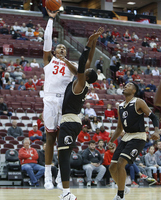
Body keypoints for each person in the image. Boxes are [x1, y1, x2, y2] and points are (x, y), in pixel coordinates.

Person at [57, 28, 102, 199]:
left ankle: (67, 193)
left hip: (70, 121)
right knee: (63, 154)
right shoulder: (82, 80)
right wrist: (95, 41)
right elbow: (87, 60)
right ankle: (65, 191)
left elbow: (83, 62)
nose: (87, 68)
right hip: (71, 121)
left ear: (87, 76)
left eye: (87, 71)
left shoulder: (81, 82)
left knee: (64, 156)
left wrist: (89, 42)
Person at [42, 9, 80, 191]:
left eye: (64, 48)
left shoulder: (72, 65)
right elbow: (47, 42)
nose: (62, 49)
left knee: (62, 141)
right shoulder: (48, 61)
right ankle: (47, 176)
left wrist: (65, 60)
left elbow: (77, 74)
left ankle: (60, 177)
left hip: (64, 103)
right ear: (54, 51)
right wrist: (50, 20)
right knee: (50, 138)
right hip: (50, 100)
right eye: (59, 48)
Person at [109, 82, 160, 200]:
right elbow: (119, 128)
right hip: (126, 137)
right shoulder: (120, 106)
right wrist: (111, 140)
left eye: (129, 85)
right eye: (125, 85)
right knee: (112, 167)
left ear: (134, 91)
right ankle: (123, 188)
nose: (126, 86)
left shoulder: (138, 102)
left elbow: (154, 117)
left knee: (121, 163)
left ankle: (120, 195)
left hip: (138, 137)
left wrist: (156, 131)